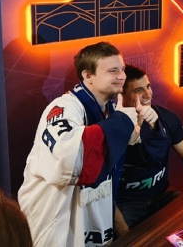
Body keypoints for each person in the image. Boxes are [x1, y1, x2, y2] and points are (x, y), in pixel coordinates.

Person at [18, 42, 147, 246]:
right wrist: (123, 121)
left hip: (92, 223)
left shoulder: (109, 109)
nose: (122, 76)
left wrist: (136, 123)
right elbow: (73, 160)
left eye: (122, 69)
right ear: (88, 76)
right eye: (113, 71)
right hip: (57, 228)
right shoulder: (62, 108)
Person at [115, 65, 183, 236]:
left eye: (148, 87)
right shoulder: (111, 129)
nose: (148, 94)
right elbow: (103, 195)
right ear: (121, 95)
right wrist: (124, 233)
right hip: (126, 204)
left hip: (162, 194)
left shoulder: (166, 117)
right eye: (139, 90)